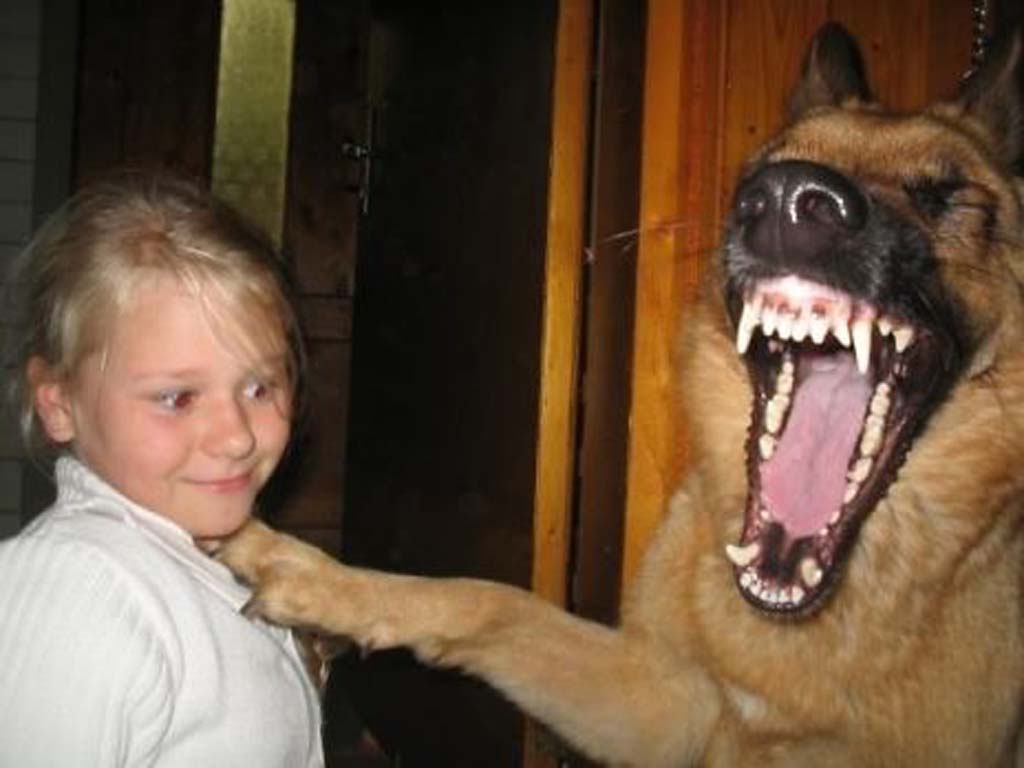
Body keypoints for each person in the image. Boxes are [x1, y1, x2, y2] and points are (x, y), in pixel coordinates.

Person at [0, 172, 324, 767]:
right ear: (59, 405)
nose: (237, 437)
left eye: (260, 386)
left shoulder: (198, 554)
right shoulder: (77, 589)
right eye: (177, 398)